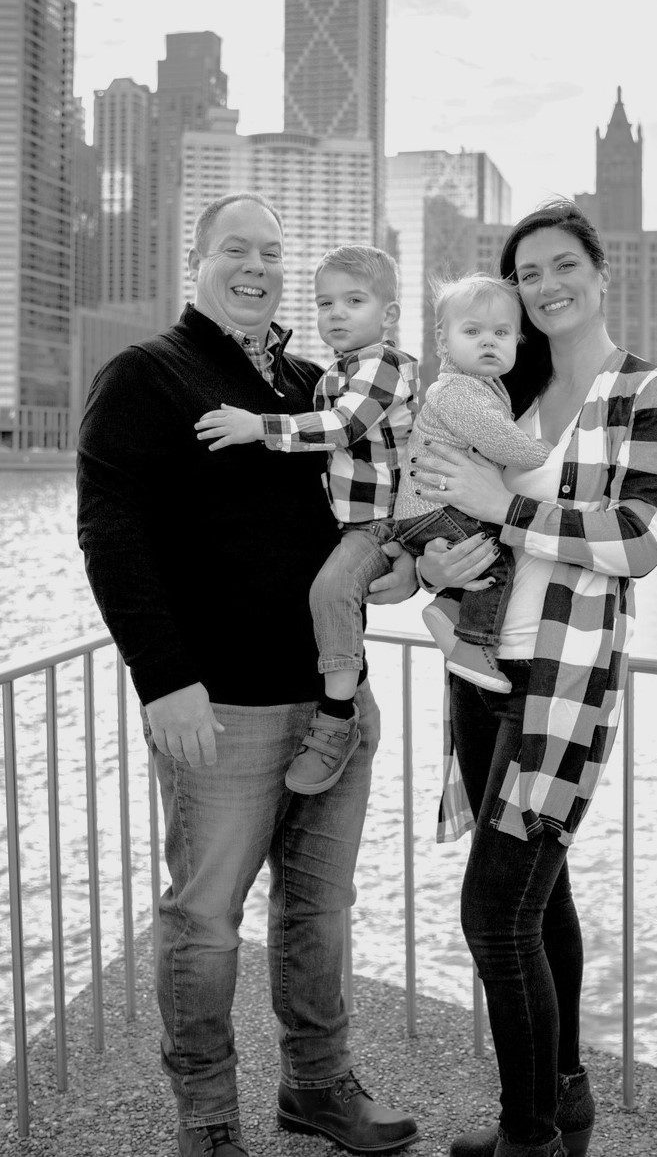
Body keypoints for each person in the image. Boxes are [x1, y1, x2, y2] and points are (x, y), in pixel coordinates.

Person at [76, 192, 420, 1157]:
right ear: (198, 259)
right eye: (238, 249)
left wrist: (394, 571)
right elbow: (111, 535)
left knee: (320, 910)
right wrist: (164, 680)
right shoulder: (147, 374)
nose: (258, 267)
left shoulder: (318, 383)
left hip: (328, 706)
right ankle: (209, 1117)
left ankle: (316, 1087)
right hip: (217, 708)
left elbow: (358, 507)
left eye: (273, 252)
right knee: (207, 923)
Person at [411, 201, 657, 1157]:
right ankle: (564, 1098)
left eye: (562, 264)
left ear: (597, 272)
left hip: (564, 682)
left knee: (494, 912)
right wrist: (430, 573)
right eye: (527, 273)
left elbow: (642, 540)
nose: (545, 285)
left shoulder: (650, 390)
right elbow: (441, 494)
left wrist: (511, 509)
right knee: (544, 896)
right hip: (480, 668)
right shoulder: (504, 385)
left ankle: (526, 1137)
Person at [195, 244, 420, 796]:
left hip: (380, 523)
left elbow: (342, 427)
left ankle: (337, 717)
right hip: (353, 523)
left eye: (353, 301)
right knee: (330, 592)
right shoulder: (333, 372)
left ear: (388, 315)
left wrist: (259, 427)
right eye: (324, 304)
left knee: (331, 592)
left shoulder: (385, 367)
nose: (335, 314)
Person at [393, 274, 552, 694]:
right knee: (494, 561)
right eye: (473, 332)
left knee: (484, 549)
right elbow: (501, 441)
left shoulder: (479, 386)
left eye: (501, 333)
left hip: (430, 509)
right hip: (431, 511)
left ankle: (449, 607)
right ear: (443, 342)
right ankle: (473, 648)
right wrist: (546, 454)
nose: (488, 342)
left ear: (518, 340)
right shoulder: (461, 391)